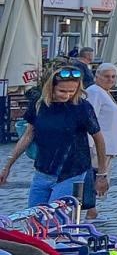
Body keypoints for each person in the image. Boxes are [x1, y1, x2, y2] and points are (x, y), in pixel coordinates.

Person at [0, 62, 108, 207]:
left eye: (72, 91)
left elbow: (99, 138)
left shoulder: (82, 107)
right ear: (51, 87)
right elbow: (27, 136)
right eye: (62, 91)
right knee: (34, 217)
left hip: (72, 171)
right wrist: (8, 166)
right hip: (43, 170)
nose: (67, 95)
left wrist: (102, 174)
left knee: (55, 220)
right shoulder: (39, 105)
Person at [83, 61, 117, 219]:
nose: (110, 79)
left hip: (108, 145)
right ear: (97, 76)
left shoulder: (105, 92)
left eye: (113, 76)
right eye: (106, 76)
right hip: (97, 145)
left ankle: (91, 208)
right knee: (94, 175)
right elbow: (90, 118)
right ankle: (90, 208)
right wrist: (89, 143)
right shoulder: (94, 92)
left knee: (100, 176)